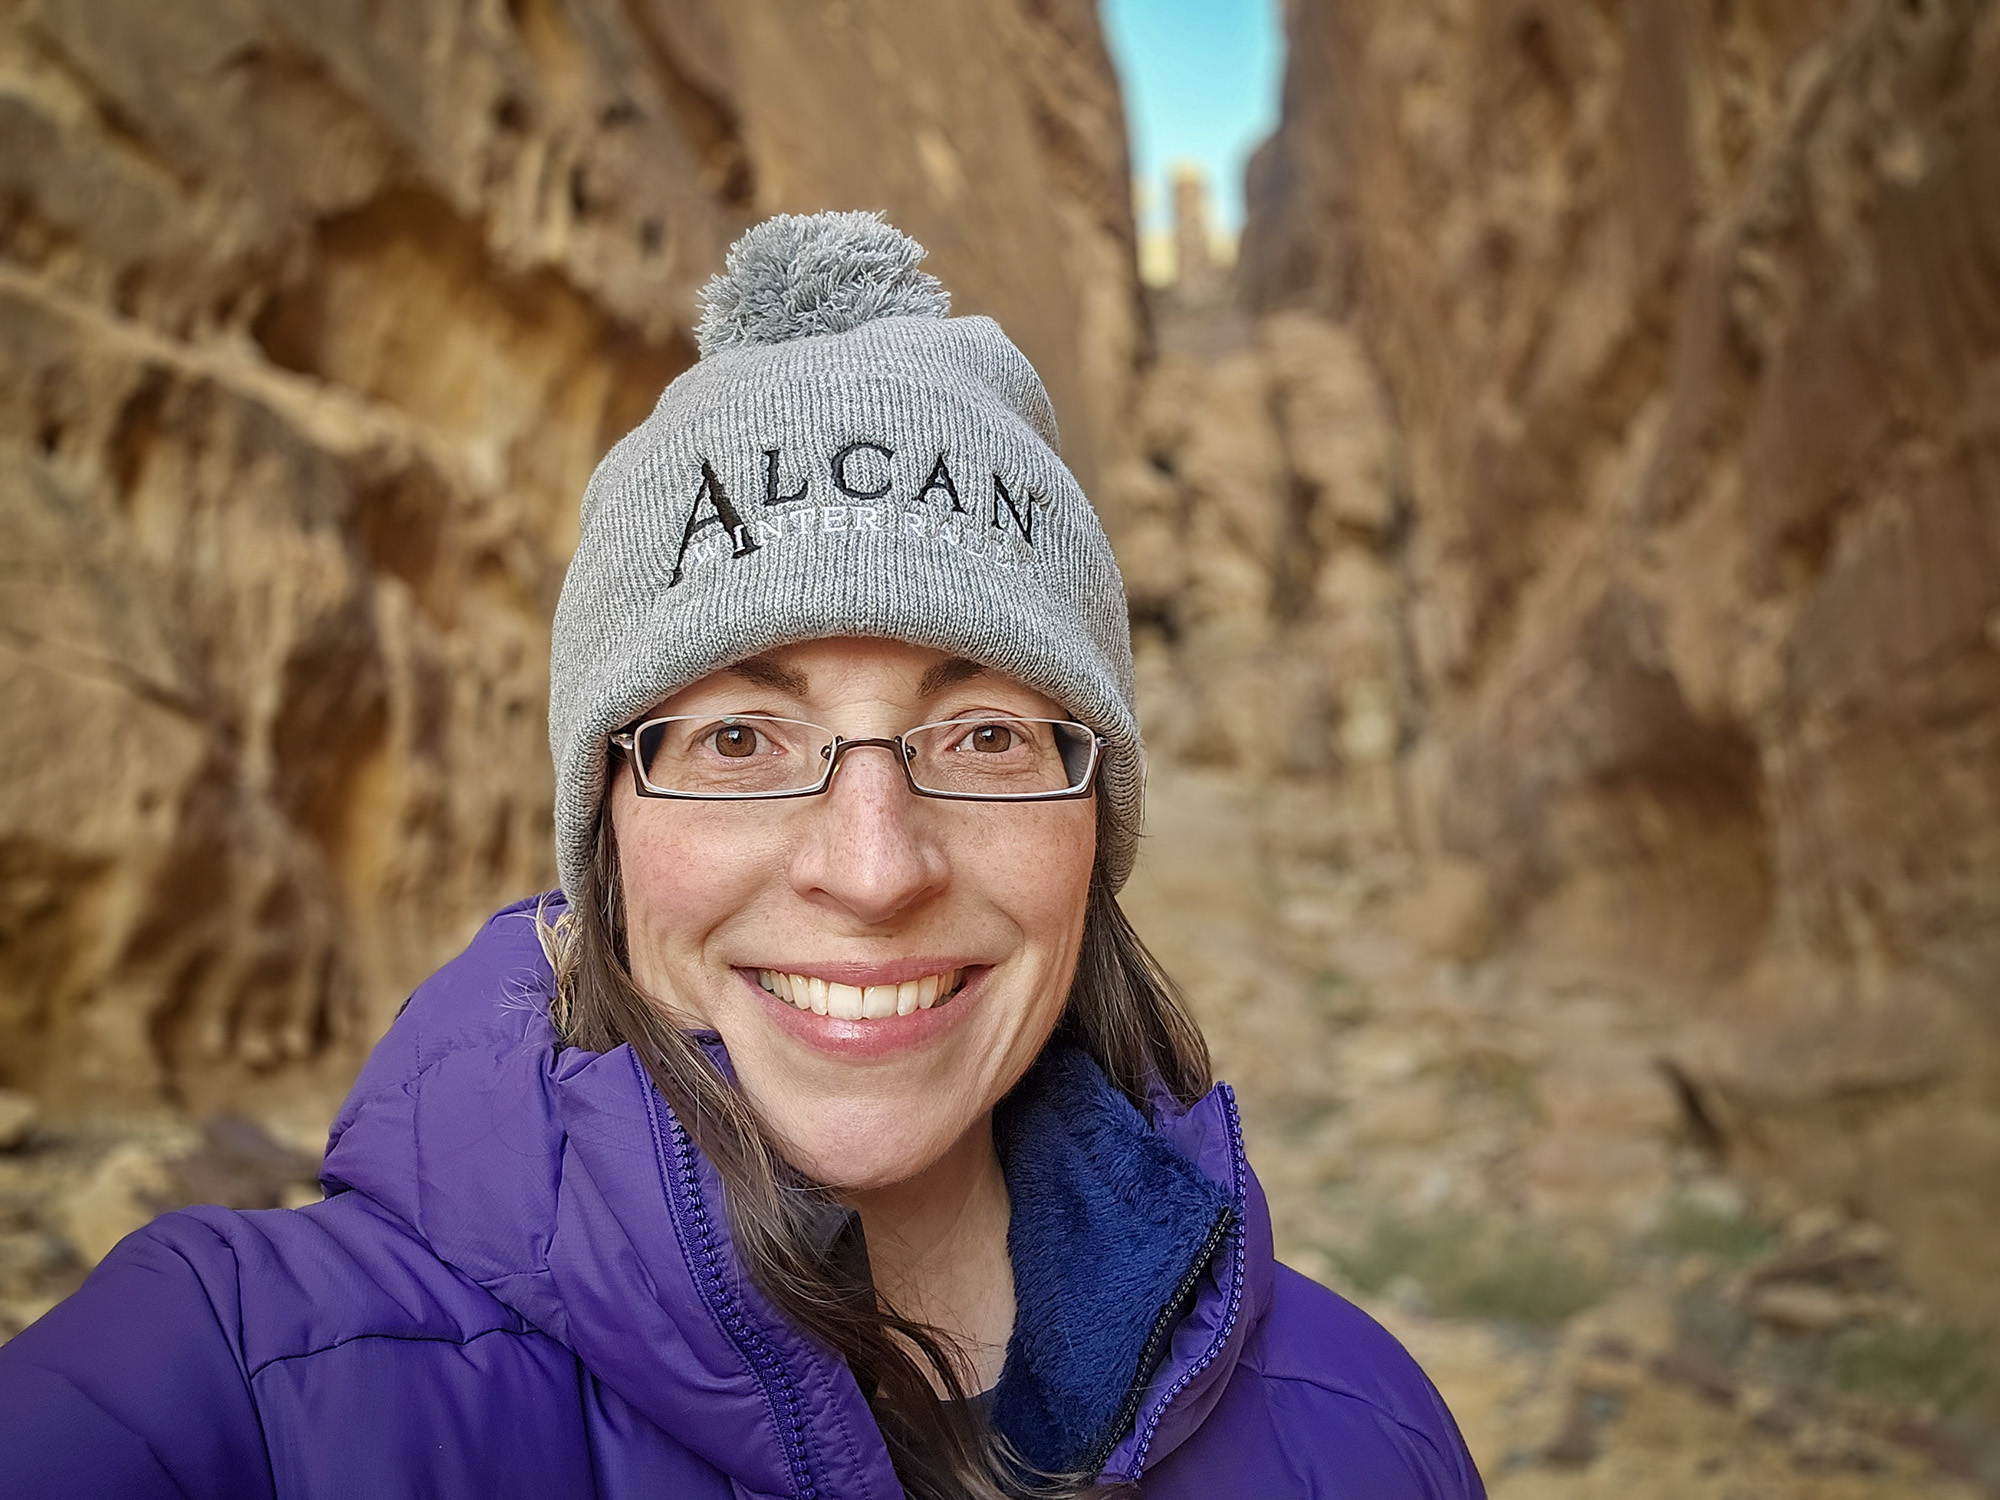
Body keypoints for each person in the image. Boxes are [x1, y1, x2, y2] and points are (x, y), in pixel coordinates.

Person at [0, 212, 1484, 1498]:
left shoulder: (1361, 1438)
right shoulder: (240, 1382)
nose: (872, 864)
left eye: (981, 739)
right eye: (734, 742)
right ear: (607, 827)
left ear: (1095, 824)